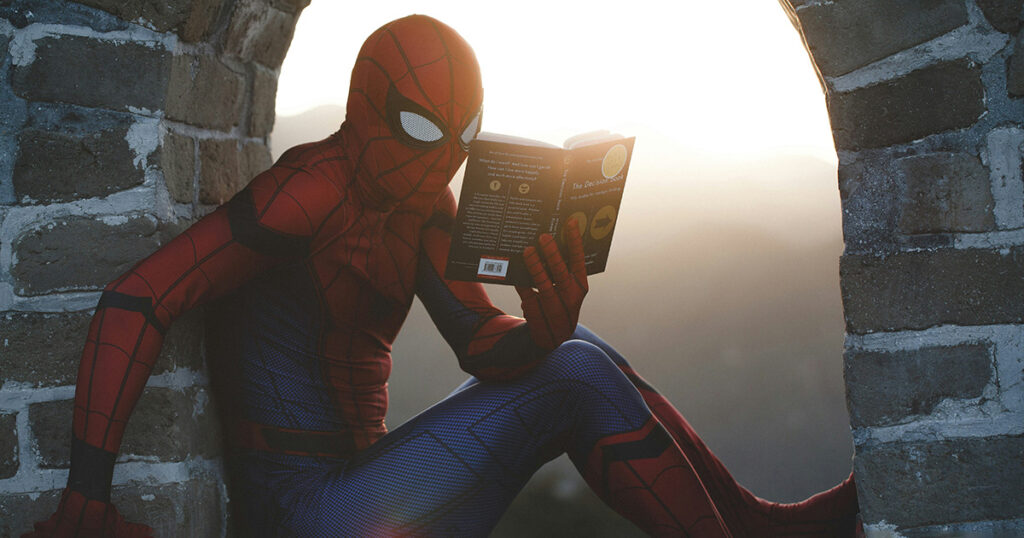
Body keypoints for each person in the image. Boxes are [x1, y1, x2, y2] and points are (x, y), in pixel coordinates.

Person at [26, 14, 858, 537]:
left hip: (376, 489)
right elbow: (140, 294)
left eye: (464, 134)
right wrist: (84, 500)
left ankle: (754, 521)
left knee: (580, 351)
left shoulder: (424, 200)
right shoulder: (307, 194)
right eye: (422, 126)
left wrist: (543, 323)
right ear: (365, 107)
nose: (446, 156)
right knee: (572, 373)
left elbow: (480, 344)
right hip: (303, 511)